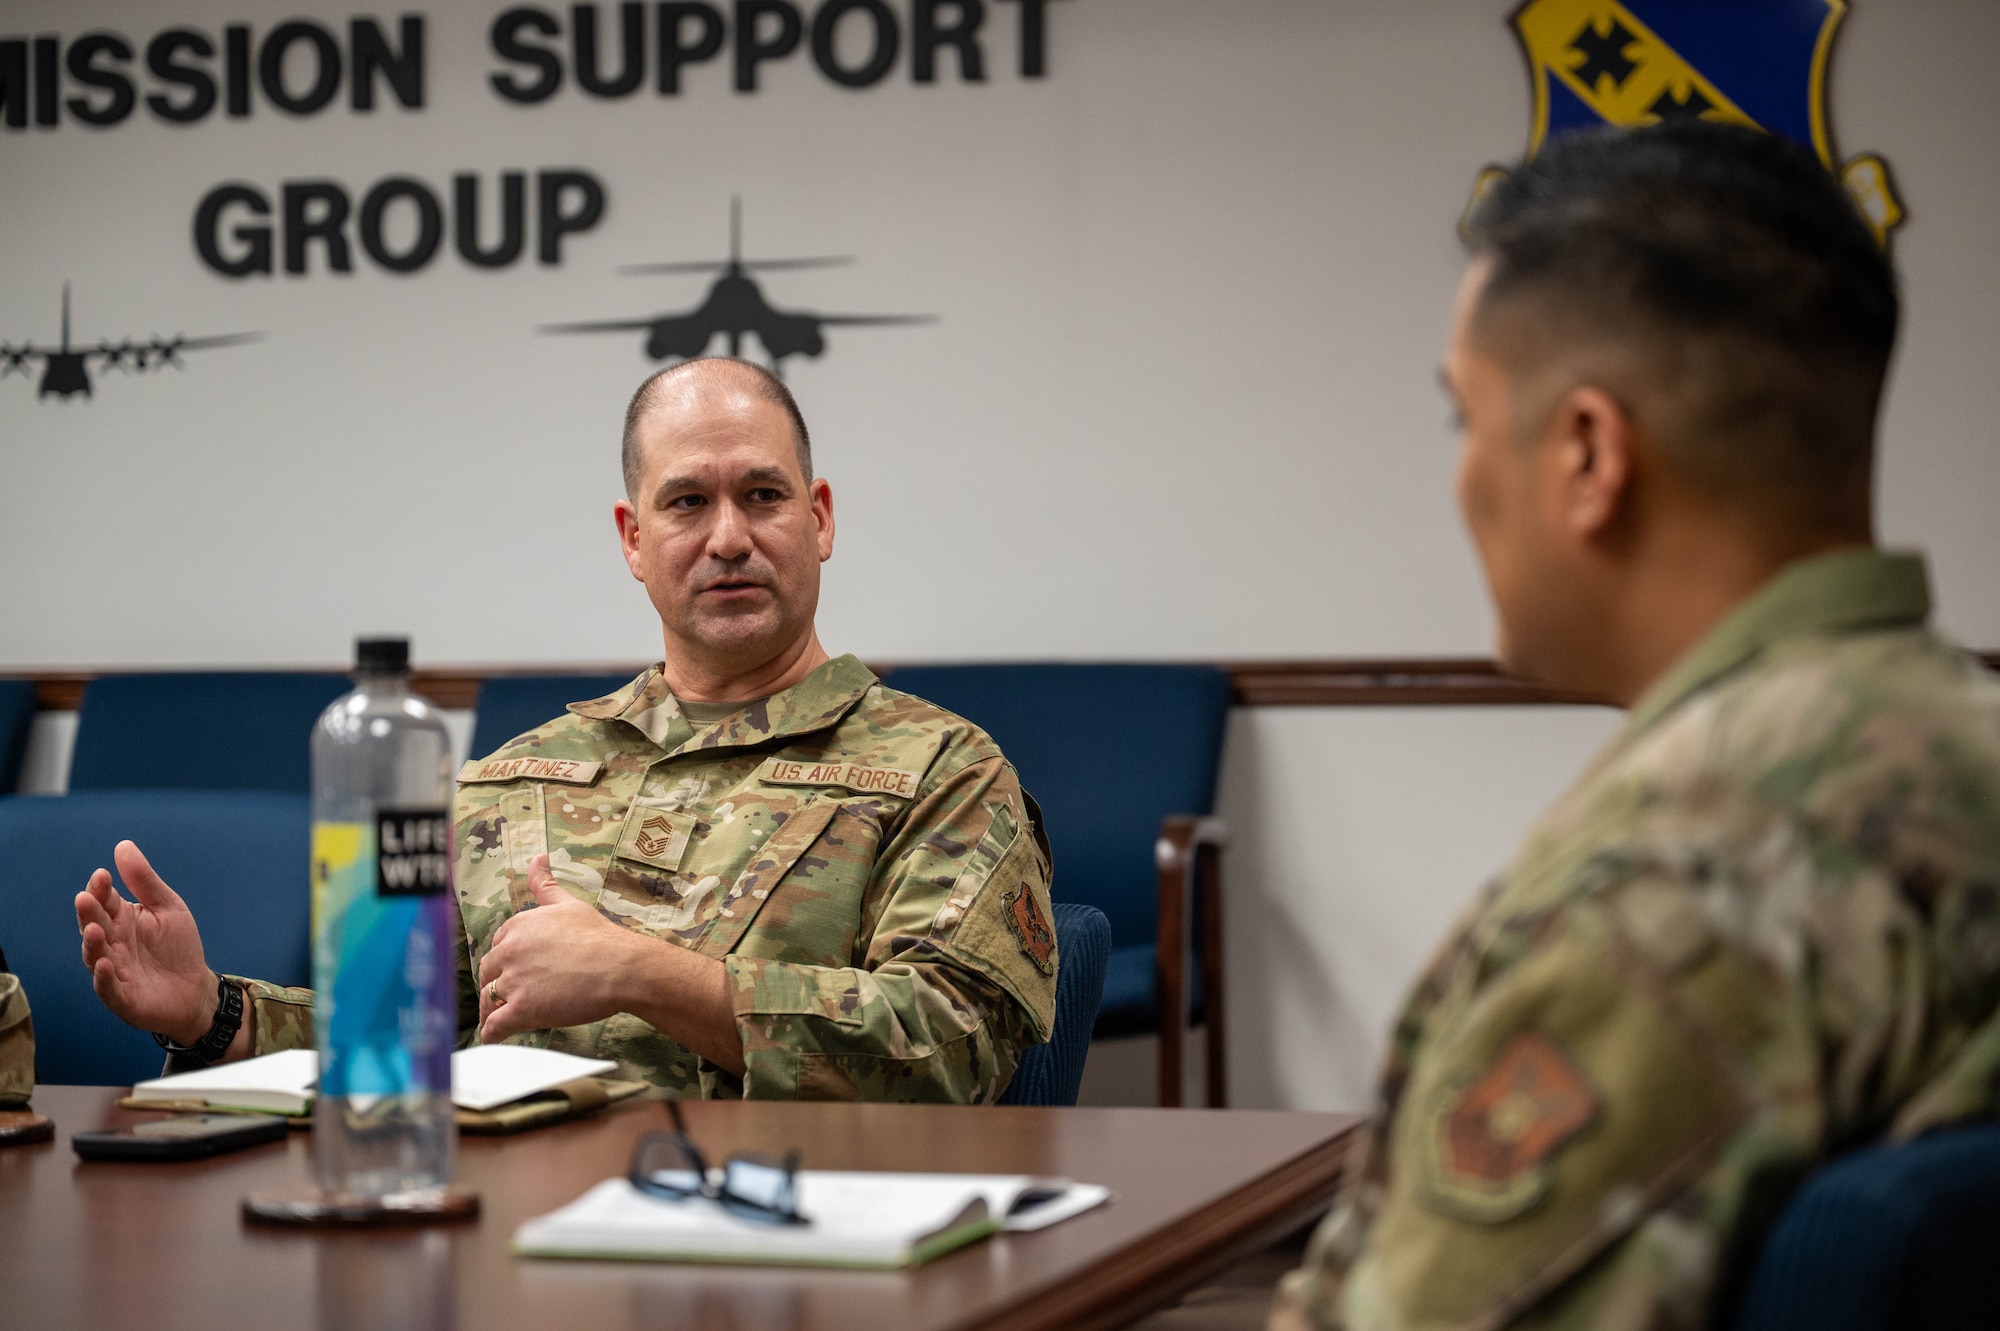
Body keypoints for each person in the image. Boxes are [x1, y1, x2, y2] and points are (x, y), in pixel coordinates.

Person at [1273, 122, 2000, 1329]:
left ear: (1585, 455)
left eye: (1463, 418)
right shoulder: (1949, 739)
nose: (1456, 477)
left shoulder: (1681, 882)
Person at [75, 358, 1059, 1101]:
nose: (727, 535)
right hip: (503, 1230)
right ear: (634, 538)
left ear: (820, 518)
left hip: (780, 1232)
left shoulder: (943, 769)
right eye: (686, 501)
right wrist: (212, 1010)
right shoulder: (503, 779)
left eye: (762, 495)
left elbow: (950, 1048)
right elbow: (396, 1025)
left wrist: (638, 971)